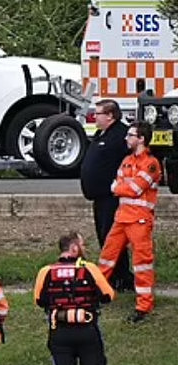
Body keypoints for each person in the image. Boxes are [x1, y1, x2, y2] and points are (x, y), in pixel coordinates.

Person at [34, 232, 118, 365]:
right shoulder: (89, 269)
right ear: (73, 248)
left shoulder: (46, 271)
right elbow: (108, 295)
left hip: (59, 334)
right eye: (82, 244)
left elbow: (38, 299)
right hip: (87, 332)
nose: (85, 247)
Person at [98, 121, 161, 323]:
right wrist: (122, 186)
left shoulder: (151, 163)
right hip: (122, 218)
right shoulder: (127, 160)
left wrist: (121, 186)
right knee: (106, 258)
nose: (126, 138)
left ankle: (144, 307)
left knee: (142, 264)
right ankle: (97, 294)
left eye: (130, 135)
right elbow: (115, 185)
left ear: (141, 138)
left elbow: (132, 188)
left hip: (139, 221)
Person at [81, 99, 134, 292]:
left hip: (112, 197)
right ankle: (114, 275)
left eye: (98, 113)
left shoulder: (120, 135)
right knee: (104, 237)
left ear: (110, 115)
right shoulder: (100, 134)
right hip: (98, 197)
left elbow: (130, 161)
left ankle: (121, 277)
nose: (95, 117)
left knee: (113, 238)